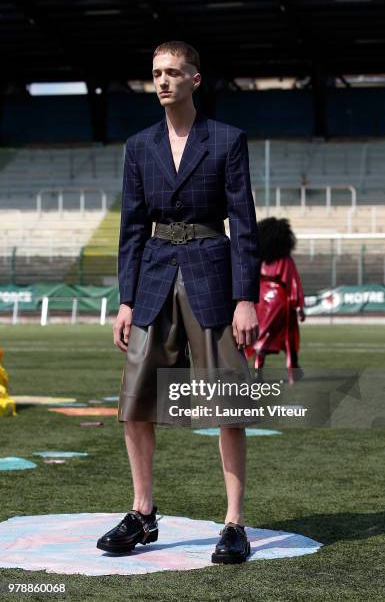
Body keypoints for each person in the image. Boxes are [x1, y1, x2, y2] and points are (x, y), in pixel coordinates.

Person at [96, 40, 261, 564]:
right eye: (155, 73)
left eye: (172, 72)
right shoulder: (138, 146)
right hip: (153, 276)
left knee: (228, 405)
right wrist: (126, 299)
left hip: (213, 271)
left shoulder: (228, 140)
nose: (162, 81)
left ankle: (233, 524)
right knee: (136, 402)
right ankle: (143, 514)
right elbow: (129, 229)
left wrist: (246, 298)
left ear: (195, 78)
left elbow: (245, 223)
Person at [244, 217, 305, 384]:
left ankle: (257, 370)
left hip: (260, 298)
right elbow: (292, 282)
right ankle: (293, 371)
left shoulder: (258, 259)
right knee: (288, 336)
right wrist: (299, 306)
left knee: (261, 337)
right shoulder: (285, 260)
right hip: (279, 299)